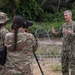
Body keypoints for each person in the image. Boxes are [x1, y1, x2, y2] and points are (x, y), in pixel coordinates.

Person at [52, 10, 75, 75]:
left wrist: (72, 33)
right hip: (64, 49)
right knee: (64, 67)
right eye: (64, 15)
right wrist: (54, 33)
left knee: (73, 67)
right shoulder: (63, 25)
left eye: (66, 15)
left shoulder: (74, 25)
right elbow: (59, 34)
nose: (65, 17)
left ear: (70, 16)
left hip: (72, 50)